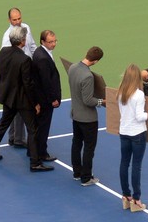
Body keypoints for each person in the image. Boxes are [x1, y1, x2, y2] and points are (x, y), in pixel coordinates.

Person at [0, 26, 53, 172]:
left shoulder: (3, 52)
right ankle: (35, 162)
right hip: (23, 101)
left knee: (2, 124)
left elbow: (1, 75)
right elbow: (28, 85)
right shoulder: (25, 59)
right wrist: (35, 103)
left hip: (8, 97)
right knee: (33, 129)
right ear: (22, 41)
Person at [118, 64, 148, 212]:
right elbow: (140, 117)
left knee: (124, 163)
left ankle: (126, 196)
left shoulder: (121, 92)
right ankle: (136, 200)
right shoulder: (138, 95)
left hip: (124, 132)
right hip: (137, 134)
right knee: (136, 166)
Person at [0, 7, 37, 149]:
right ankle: (18, 138)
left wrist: (36, 64)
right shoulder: (7, 37)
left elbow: (32, 46)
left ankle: (13, 137)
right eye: (14, 19)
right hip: (16, 77)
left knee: (15, 107)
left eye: (19, 18)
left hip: (27, 70)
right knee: (22, 105)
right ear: (9, 20)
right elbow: (2, 60)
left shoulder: (26, 27)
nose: (17, 22)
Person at [69, 46, 104, 186]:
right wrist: (102, 101)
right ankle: (86, 177)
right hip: (88, 119)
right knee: (89, 148)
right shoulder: (88, 76)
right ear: (96, 61)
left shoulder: (72, 68)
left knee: (76, 144)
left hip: (76, 114)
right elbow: (88, 100)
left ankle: (77, 172)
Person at [31, 29, 61, 163]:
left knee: (38, 126)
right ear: (43, 41)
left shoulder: (39, 52)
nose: (53, 44)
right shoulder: (43, 58)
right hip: (45, 100)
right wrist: (53, 99)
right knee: (43, 127)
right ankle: (41, 153)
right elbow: (46, 81)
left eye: (55, 41)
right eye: (50, 42)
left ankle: (32, 150)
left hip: (40, 98)